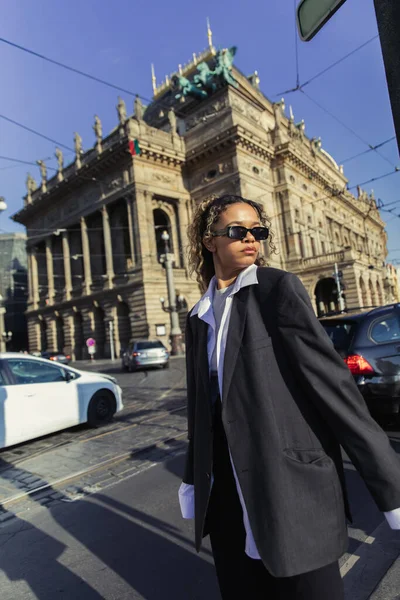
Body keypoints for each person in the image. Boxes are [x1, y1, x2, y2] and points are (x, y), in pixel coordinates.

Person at [178, 194, 400, 600]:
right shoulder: (198, 316)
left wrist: (390, 483)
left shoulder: (276, 289)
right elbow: (201, 410)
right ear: (210, 241)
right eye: (237, 231)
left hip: (291, 489)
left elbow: (334, 388)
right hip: (227, 494)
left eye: (258, 231)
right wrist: (193, 480)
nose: (251, 239)